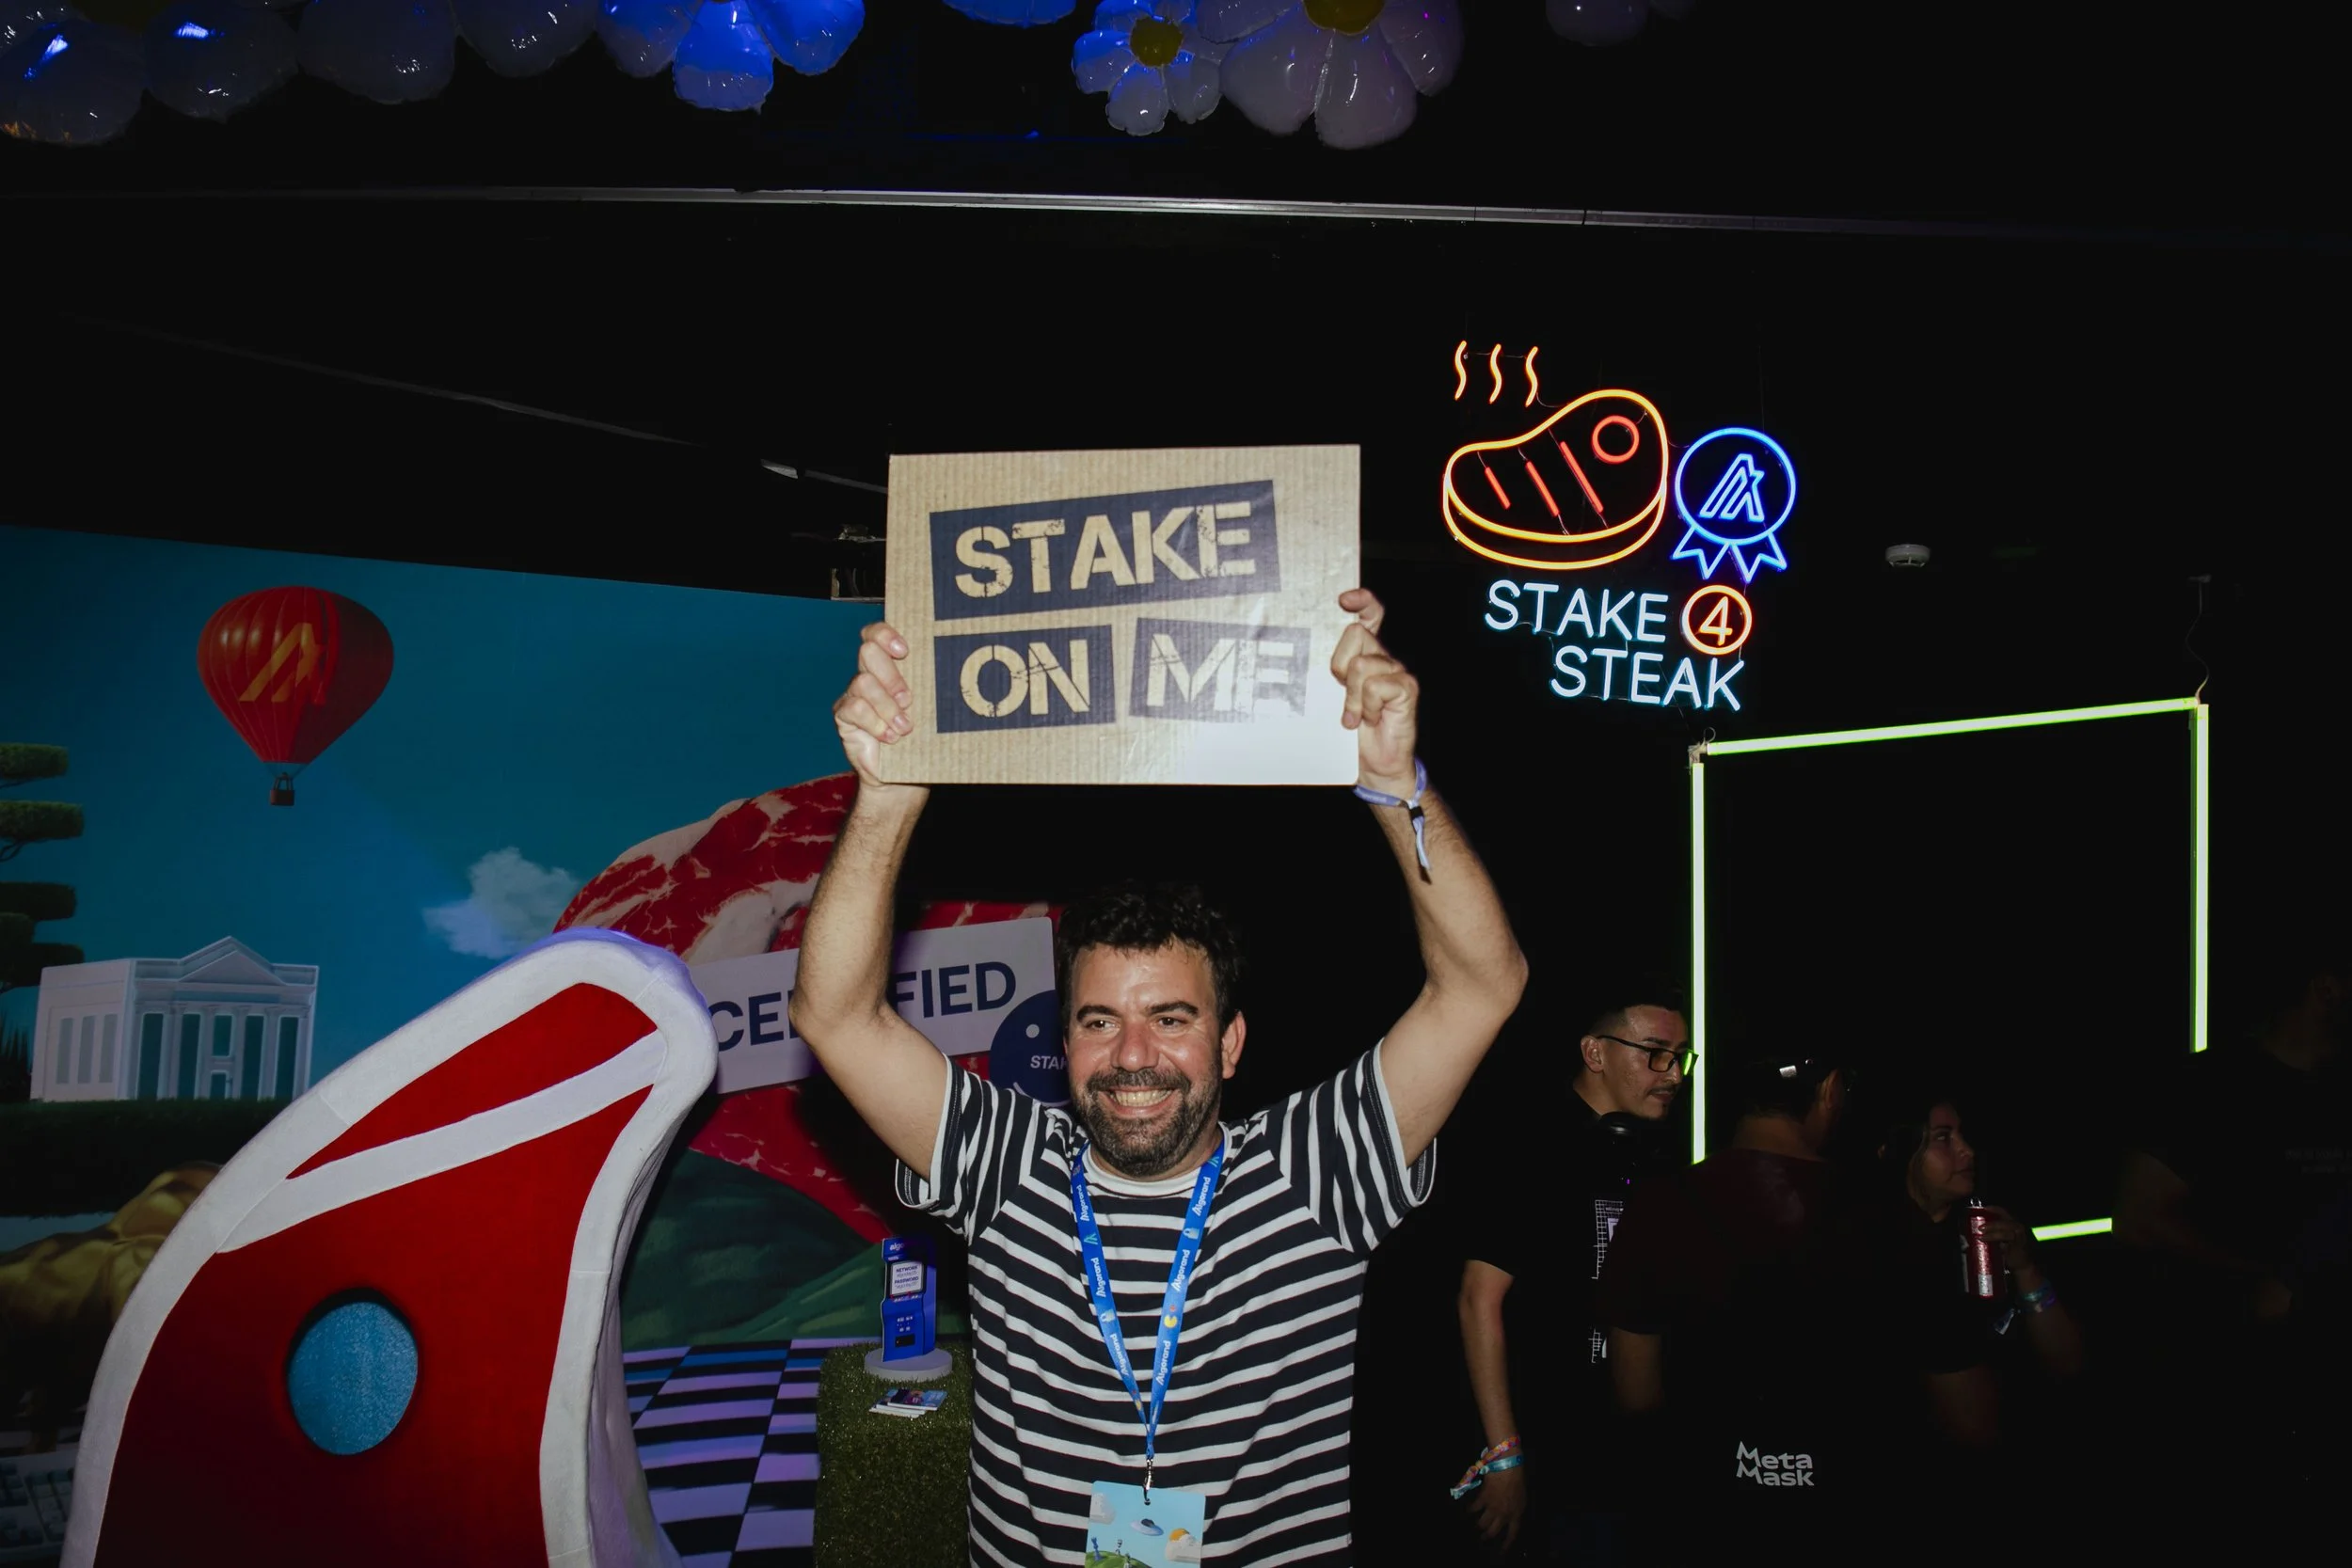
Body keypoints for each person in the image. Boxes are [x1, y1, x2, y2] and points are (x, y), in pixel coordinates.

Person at [788, 589, 1528, 1565]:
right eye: (1100, 1020)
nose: (1133, 1054)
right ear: (1065, 1037)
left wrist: (1395, 782)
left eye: (1171, 1018)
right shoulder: (1004, 1162)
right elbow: (835, 1015)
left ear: (1230, 1043)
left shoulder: (1315, 1167)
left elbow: (1482, 985)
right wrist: (886, 796)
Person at [1596, 1048, 1931, 1554]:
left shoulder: (1660, 1204)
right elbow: (1959, 1410)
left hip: (1705, 1518)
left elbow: (1636, 1394)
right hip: (1857, 1516)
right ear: (1830, 1090)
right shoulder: (1889, 1216)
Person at [1452, 991, 1690, 1560]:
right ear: (1595, 1052)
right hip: (1548, 1455)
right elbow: (1478, 1299)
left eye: (1681, 1055)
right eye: (1655, 1052)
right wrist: (1505, 1455)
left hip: (1624, 1460)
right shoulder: (1532, 1145)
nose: (1674, 1074)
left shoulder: (1654, 1160)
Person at [2115, 924, 2352, 1494]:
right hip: (2228, 1377)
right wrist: (2279, 1277)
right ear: (2327, 988)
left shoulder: (2341, 1086)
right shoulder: (2210, 1083)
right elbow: (2138, 1219)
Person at [1871, 1085, 2084, 1481]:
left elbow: (2070, 1364)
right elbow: (1973, 1428)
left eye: (1963, 1135)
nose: (1967, 1151)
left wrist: (2025, 1269)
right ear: (1899, 1150)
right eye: (1943, 1138)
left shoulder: (1990, 1220)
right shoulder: (1883, 1252)